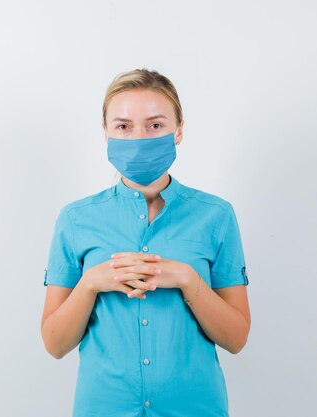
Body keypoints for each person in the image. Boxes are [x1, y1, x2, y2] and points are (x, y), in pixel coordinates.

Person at [40, 68, 251, 417]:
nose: (139, 137)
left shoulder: (216, 216)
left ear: (178, 131)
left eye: (155, 125)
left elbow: (236, 338)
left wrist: (188, 280)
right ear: (106, 133)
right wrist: (91, 283)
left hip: (195, 409)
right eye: (123, 126)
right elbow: (55, 344)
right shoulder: (75, 219)